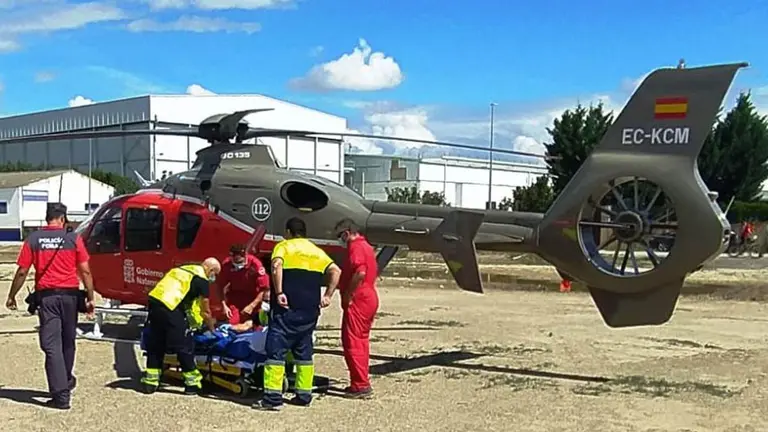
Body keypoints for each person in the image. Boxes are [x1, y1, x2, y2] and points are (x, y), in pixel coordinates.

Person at [5, 203, 95, 410]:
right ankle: (66, 379)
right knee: (67, 340)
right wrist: (90, 297)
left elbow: (21, 271)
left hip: (48, 298)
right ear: (63, 218)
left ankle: (61, 395)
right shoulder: (73, 238)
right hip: (71, 297)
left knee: (50, 344)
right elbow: (85, 271)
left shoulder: (34, 239)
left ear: (47, 218)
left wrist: (12, 296)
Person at [253, 217, 341, 411]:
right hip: (309, 309)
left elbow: (276, 266)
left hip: (286, 308)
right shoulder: (316, 251)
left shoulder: (283, 247)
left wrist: (279, 292)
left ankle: (273, 398)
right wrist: (327, 295)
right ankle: (304, 394)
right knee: (304, 352)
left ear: (288, 232)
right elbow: (336, 270)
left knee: (276, 351)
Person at [140, 258, 221, 395]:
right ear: (211, 270)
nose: (214, 277)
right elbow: (205, 310)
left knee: (156, 343)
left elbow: (188, 304)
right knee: (183, 345)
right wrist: (212, 328)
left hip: (155, 303)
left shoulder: (182, 269)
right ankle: (192, 383)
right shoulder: (201, 280)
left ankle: (150, 382)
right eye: (215, 274)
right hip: (171, 307)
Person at [326, 218, 379, 399]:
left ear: (347, 233)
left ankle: (360, 385)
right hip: (369, 296)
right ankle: (361, 380)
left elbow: (360, 272)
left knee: (352, 342)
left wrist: (348, 293)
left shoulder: (355, 247)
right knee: (361, 341)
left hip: (359, 298)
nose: (340, 240)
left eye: (341, 236)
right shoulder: (367, 246)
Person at [218, 244, 270, 326]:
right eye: (236, 262)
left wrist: (252, 306)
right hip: (235, 298)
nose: (238, 264)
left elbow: (264, 289)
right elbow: (219, 286)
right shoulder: (226, 265)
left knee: (254, 325)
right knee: (232, 323)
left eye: (240, 262)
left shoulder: (255, 264)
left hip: (254, 298)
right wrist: (224, 305)